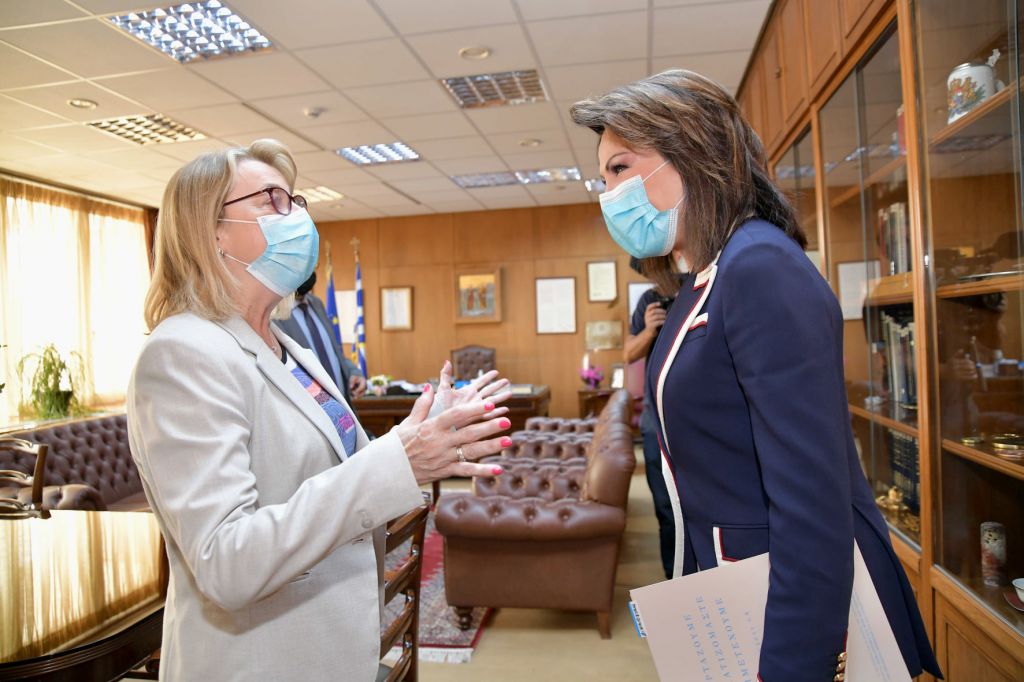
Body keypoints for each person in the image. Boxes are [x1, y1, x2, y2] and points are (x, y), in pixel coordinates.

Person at [570, 71, 941, 681]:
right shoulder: (703, 280)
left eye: (619, 169)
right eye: (603, 178)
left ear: (690, 155)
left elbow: (810, 506)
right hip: (732, 592)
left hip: (784, 610)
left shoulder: (760, 266)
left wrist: (793, 666)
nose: (608, 194)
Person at [127, 139, 512, 680]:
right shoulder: (183, 353)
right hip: (259, 663)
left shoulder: (287, 346)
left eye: (296, 200)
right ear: (211, 231)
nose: (297, 217)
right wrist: (399, 460)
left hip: (331, 643)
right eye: (272, 200)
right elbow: (227, 562)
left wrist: (422, 432)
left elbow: (338, 467)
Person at [623, 254, 683, 580]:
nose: (650, 276)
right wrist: (648, 330)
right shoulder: (649, 301)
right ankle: (673, 580)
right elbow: (628, 353)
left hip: (694, 422)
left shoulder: (699, 291)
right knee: (665, 509)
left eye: (652, 268)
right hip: (654, 421)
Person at [277, 271, 367, 404]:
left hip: (343, 405)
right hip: (312, 408)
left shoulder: (316, 303)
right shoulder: (275, 315)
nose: (308, 267)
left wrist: (353, 372)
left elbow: (333, 354)